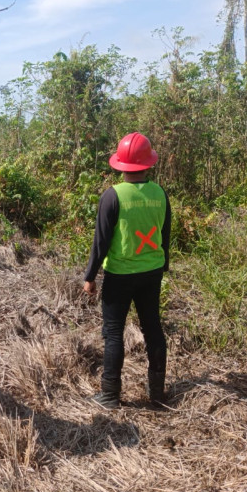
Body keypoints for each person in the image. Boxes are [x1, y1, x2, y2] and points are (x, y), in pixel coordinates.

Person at [82, 132, 171, 409]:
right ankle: (157, 395)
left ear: (120, 164)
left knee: (113, 331)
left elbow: (102, 241)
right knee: (153, 328)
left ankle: (109, 395)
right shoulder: (160, 194)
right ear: (148, 164)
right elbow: (165, 235)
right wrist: (163, 265)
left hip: (119, 275)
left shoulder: (113, 195)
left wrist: (90, 276)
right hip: (152, 272)